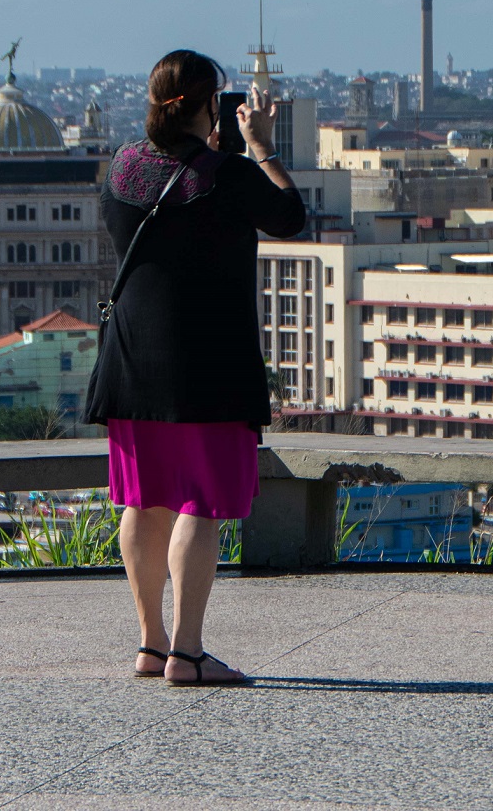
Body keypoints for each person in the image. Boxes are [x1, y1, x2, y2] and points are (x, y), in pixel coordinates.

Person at [83, 52, 306, 684]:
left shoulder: (122, 168)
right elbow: (290, 217)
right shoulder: (226, 173)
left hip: (131, 359)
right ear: (210, 107)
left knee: (143, 500)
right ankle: (188, 652)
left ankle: (151, 644)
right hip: (208, 361)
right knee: (198, 503)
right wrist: (261, 147)